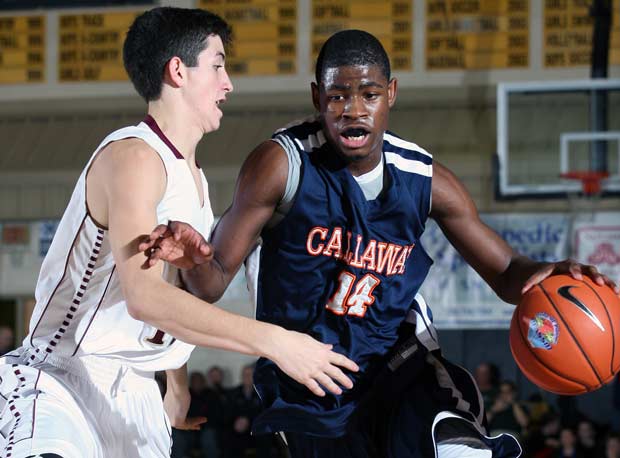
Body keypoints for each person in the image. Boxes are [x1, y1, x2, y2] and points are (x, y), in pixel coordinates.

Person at [141, 30, 618, 458]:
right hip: (308, 376)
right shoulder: (280, 165)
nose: (353, 110)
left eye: (369, 94)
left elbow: (507, 269)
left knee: (449, 434)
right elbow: (212, 280)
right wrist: (191, 260)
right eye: (337, 96)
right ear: (316, 97)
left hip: (398, 360)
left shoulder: (423, 177)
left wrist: (547, 271)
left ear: (390, 94)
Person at [0, 8, 357, 458]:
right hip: (62, 376)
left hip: (137, 394)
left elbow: (175, 295)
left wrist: (177, 380)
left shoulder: (196, 180)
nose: (229, 84)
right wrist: (277, 342)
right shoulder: (133, 157)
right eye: (218, 65)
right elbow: (145, 297)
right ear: (177, 71)